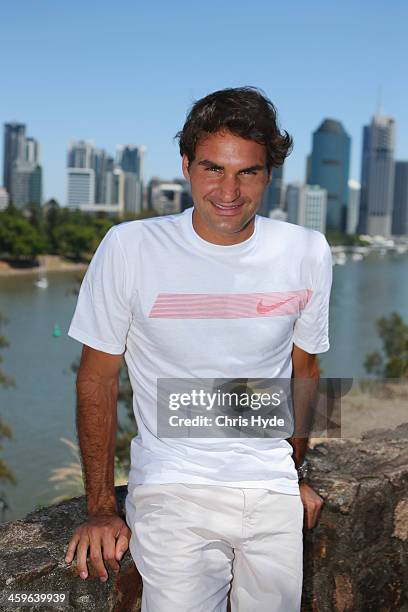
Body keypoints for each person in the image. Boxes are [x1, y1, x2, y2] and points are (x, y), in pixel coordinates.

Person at [65, 86, 332, 612]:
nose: (228, 190)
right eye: (213, 168)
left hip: (270, 490)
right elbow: (96, 378)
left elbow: (304, 369)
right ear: (186, 166)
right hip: (172, 489)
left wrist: (291, 472)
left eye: (248, 172)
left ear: (269, 175)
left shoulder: (307, 250)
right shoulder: (129, 247)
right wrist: (100, 507)